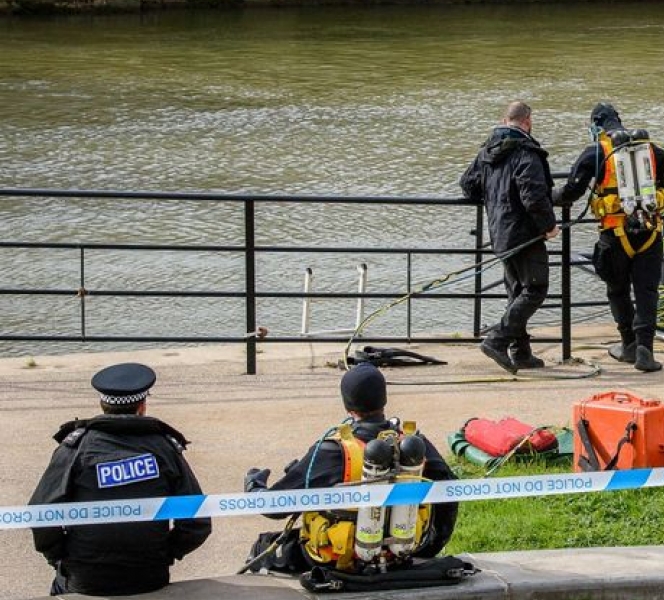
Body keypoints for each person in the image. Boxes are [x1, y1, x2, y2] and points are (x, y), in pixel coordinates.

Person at [244, 362, 458, 570]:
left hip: (338, 560)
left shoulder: (331, 450)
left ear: (347, 405)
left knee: (265, 546)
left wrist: (254, 485)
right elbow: (450, 492)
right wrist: (429, 547)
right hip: (403, 553)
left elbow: (273, 508)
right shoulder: (413, 444)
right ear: (383, 400)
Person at [29, 363, 211, 596]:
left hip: (86, 578)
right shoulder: (164, 448)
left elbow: (41, 512)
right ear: (142, 407)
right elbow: (197, 521)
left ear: (102, 405)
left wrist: (61, 557)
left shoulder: (76, 449)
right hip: (149, 576)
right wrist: (164, 553)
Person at [553, 102, 664, 372]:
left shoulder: (596, 153)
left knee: (617, 290)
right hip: (649, 233)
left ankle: (629, 345)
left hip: (614, 235)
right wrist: (660, 197)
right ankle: (646, 350)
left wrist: (549, 198)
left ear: (596, 125)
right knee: (647, 292)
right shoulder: (654, 150)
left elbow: (571, 191)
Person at [460, 100, 560, 374]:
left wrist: (494, 200)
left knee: (517, 291)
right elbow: (534, 197)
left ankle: (521, 352)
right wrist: (549, 227)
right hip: (525, 234)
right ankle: (497, 340)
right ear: (527, 121)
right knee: (536, 289)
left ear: (505, 121)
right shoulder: (527, 153)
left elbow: (468, 185)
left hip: (499, 232)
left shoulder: (487, 151)